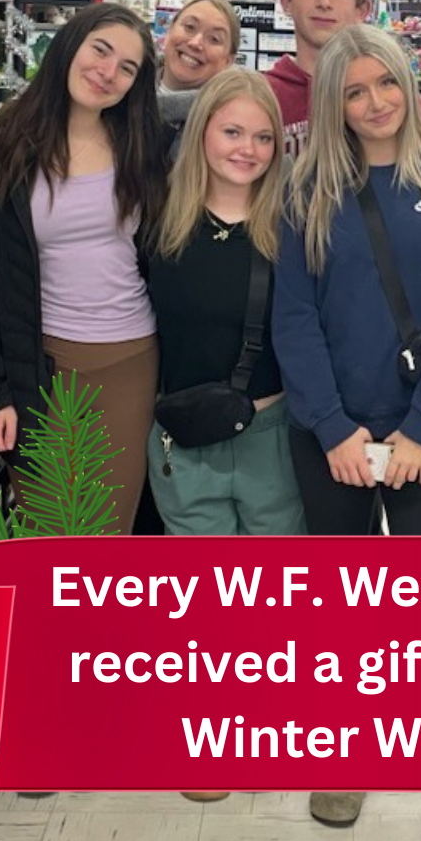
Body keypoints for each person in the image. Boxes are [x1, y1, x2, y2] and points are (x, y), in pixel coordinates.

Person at [271, 24, 421, 841]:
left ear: (410, 83)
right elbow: (293, 318)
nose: (372, 103)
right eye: (353, 91)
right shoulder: (306, 186)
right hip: (330, 434)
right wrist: (331, 426)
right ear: (333, 101)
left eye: (385, 84)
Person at [0, 3, 168, 533]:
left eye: (128, 68)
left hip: (130, 361)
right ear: (70, 45)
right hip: (41, 366)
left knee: (107, 534)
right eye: (101, 50)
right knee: (50, 535)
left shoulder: (144, 146)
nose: (108, 72)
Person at [146, 68, 303, 538]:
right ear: (201, 131)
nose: (247, 149)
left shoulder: (293, 229)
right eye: (232, 132)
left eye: (262, 137)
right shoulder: (158, 224)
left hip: (271, 434)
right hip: (185, 438)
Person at [264, 0, 377, 155]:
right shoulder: (261, 96)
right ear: (286, 3)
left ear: (362, 10)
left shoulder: (388, 99)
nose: (324, 2)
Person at [157, 0, 241, 132]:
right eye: (190, 27)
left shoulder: (230, 123)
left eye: (214, 39)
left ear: (228, 61)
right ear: (170, 29)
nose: (195, 43)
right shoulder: (123, 91)